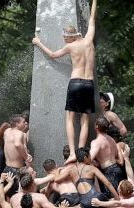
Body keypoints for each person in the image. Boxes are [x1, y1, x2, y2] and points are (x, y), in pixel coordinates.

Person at [32, 0, 99, 164]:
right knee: (84, 120)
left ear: (69, 37)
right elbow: (92, 19)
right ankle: (81, 152)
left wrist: (38, 43)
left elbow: (53, 55)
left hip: (75, 82)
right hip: (89, 84)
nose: (64, 40)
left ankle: (72, 153)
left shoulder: (71, 47)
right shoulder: (88, 40)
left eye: (64, 37)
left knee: (69, 118)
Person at [90, 116, 125, 200]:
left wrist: (97, 164)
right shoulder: (112, 140)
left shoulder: (96, 142)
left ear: (96, 126)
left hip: (109, 172)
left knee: (111, 199)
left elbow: (88, 159)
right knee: (119, 195)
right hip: (117, 169)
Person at [3, 115, 32, 197]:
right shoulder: (20, 133)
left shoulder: (7, 131)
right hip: (16, 170)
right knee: (19, 196)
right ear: (17, 124)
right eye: (23, 122)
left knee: (9, 196)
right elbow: (18, 144)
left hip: (7, 168)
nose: (26, 123)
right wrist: (26, 157)